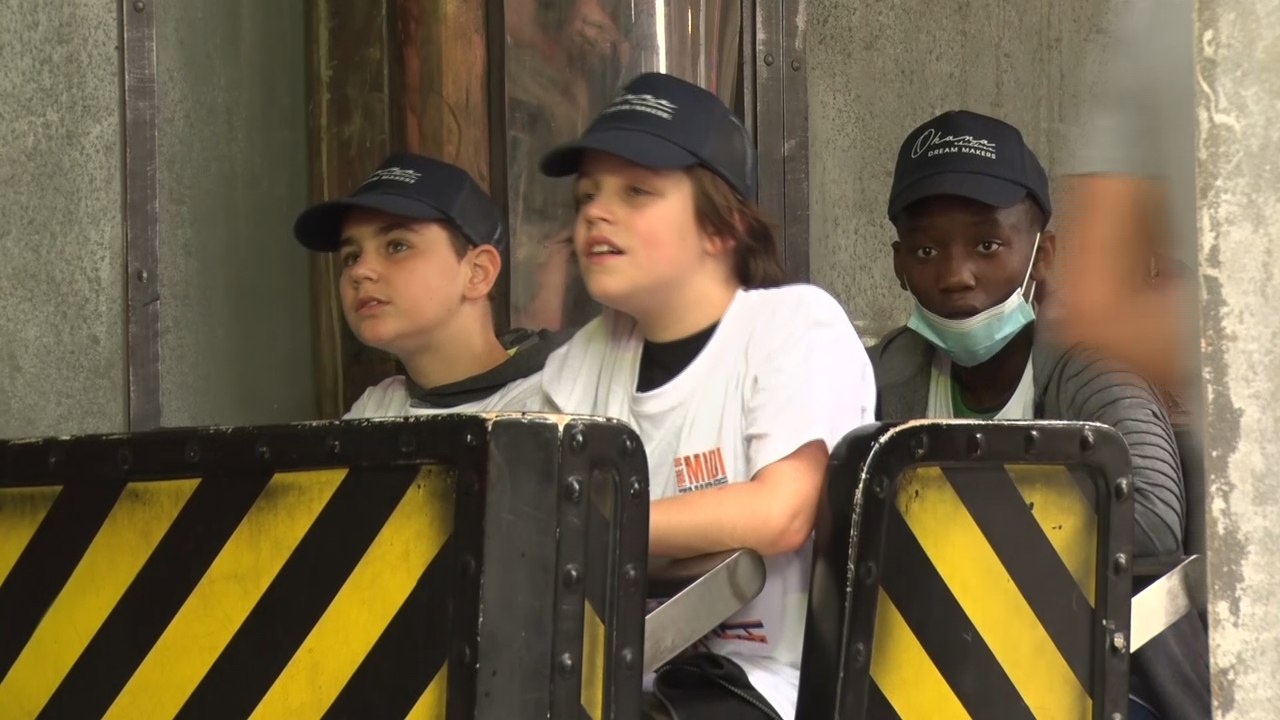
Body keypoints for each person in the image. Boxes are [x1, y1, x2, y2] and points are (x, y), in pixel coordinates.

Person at [534, 72, 876, 719]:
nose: (597, 214)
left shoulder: (793, 327)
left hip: (772, 683)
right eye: (586, 197)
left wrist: (587, 523)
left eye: (637, 192)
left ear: (723, 227)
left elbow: (779, 514)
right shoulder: (582, 362)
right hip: (614, 679)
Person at [871, 109, 1185, 559]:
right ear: (899, 265)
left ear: (1044, 255)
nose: (956, 275)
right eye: (926, 250)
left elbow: (1153, 522)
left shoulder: (1091, 368)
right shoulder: (879, 377)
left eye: (987, 246)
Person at [292, 153, 561, 417]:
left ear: (478, 272)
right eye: (351, 257)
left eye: (397, 245)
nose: (360, 271)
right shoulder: (377, 408)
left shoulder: (554, 403)